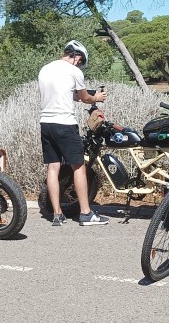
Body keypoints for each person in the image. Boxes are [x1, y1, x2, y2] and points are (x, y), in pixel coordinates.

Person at [38, 40, 109, 226]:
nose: (79, 64)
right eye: (80, 61)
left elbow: (67, 94)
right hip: (65, 123)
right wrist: (97, 98)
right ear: (77, 56)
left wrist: (80, 96)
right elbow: (85, 98)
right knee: (78, 166)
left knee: (53, 167)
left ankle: (57, 214)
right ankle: (86, 213)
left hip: (46, 123)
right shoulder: (74, 71)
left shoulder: (45, 69)